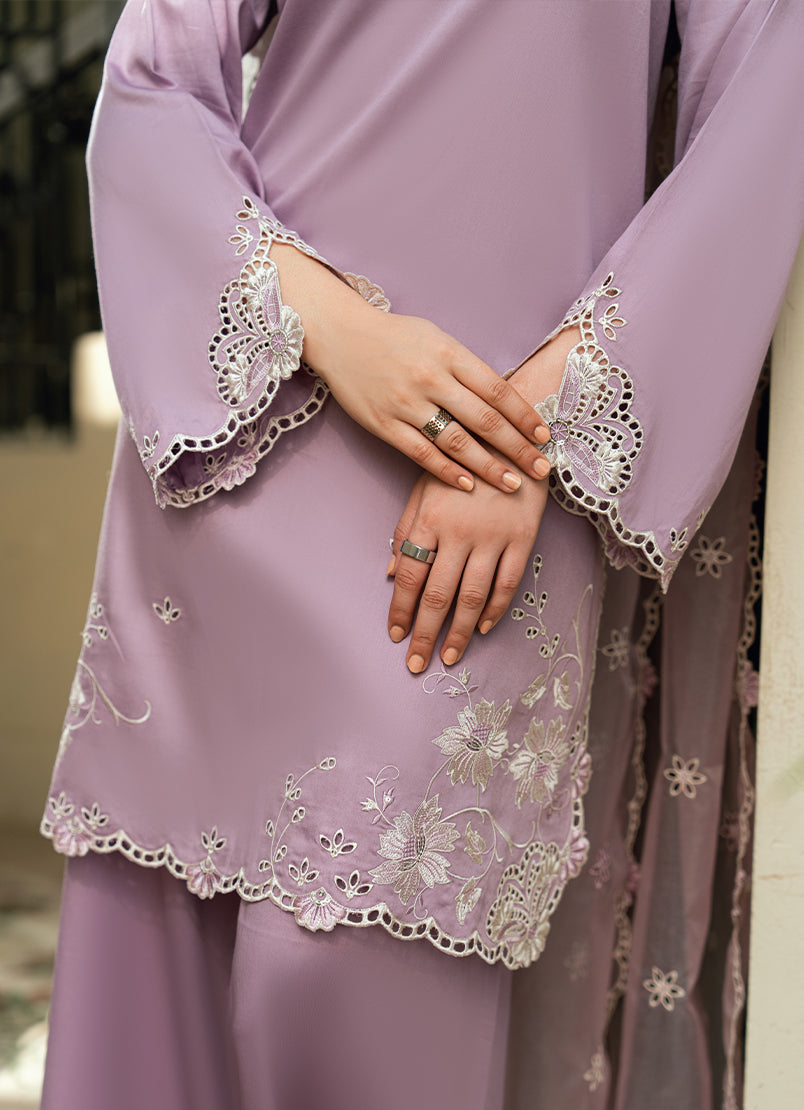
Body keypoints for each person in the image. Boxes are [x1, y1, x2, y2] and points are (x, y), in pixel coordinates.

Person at [39, 2, 804, 1107]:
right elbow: (151, 78)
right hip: (251, 423)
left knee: (347, 994)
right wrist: (341, 333)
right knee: (149, 984)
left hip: (488, 509)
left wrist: (534, 432)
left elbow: (766, 118)